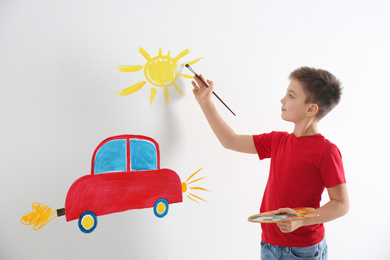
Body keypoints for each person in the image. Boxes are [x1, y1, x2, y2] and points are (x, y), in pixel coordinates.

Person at [191, 67, 349, 260]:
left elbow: (341, 204)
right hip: (269, 244)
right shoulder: (277, 141)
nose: (282, 100)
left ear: (311, 109)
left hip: (303, 250)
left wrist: (300, 221)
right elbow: (230, 140)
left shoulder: (327, 151)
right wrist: (205, 102)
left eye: (291, 96)